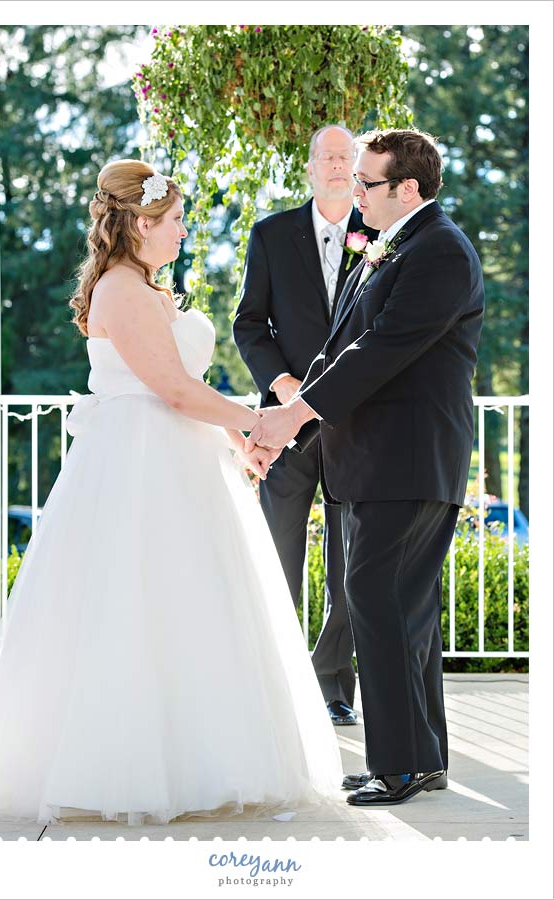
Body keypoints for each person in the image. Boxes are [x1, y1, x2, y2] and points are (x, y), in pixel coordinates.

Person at [0, 159, 343, 826]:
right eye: (175, 220)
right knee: (136, 600)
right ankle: (131, 768)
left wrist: (240, 444)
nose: (183, 231)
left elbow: (178, 390)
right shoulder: (119, 289)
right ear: (142, 222)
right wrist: (257, 421)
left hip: (177, 452)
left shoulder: (145, 285)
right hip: (136, 462)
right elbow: (171, 389)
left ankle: (204, 758)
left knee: (191, 599)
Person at [246, 129, 484, 806]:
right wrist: (284, 433)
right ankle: (420, 757)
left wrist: (290, 416)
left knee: (378, 603)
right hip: (374, 461)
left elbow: (382, 351)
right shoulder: (388, 246)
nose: (355, 193)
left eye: (368, 183)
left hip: (407, 460)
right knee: (400, 609)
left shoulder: (439, 250)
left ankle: (401, 765)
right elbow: (336, 348)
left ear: (408, 188)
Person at [233, 125, 378, 726]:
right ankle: (277, 684)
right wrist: (285, 387)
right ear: (311, 167)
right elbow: (249, 324)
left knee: (350, 563)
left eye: (349, 157)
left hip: (356, 423)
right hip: (286, 424)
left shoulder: (381, 237)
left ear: (358, 168)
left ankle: (331, 685)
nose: (339, 165)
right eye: (329, 156)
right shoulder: (270, 235)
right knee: (279, 552)